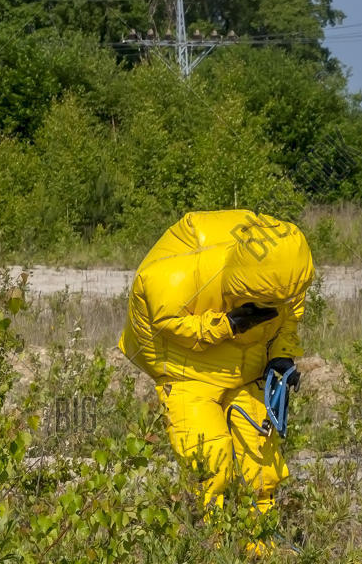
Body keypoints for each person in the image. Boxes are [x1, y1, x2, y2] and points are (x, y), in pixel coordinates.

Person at [119, 210, 313, 520]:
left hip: (248, 372)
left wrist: (281, 355)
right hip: (188, 375)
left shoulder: (286, 278)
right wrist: (228, 325)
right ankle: (214, 550)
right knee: (211, 465)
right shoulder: (171, 276)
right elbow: (167, 322)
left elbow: (289, 318)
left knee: (261, 466)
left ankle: (259, 549)